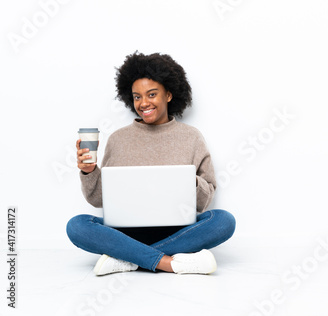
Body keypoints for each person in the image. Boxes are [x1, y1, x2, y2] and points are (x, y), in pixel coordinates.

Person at [66, 52, 236, 276]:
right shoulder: (118, 139)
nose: (143, 103)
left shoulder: (191, 137)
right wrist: (88, 171)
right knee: (77, 225)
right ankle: (168, 262)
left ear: (169, 94)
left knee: (223, 221)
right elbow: (98, 200)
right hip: (127, 232)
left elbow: (204, 202)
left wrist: (185, 181)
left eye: (152, 94)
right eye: (137, 97)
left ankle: (128, 258)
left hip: (177, 230)